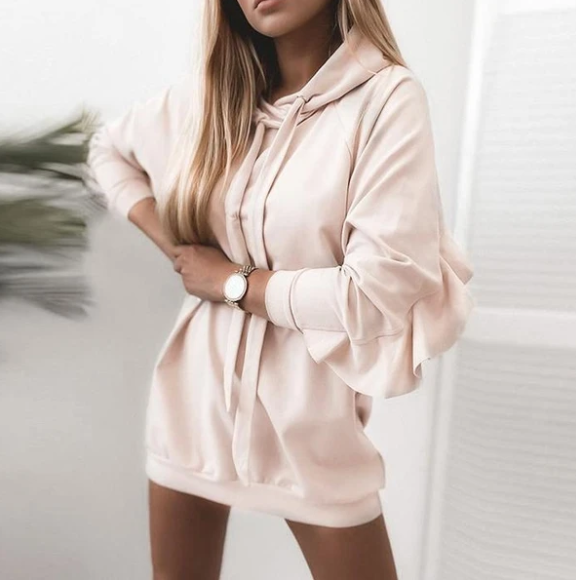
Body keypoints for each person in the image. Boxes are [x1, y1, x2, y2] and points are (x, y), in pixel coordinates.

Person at [86, 0, 475, 578]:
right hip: (190, 408)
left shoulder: (386, 99)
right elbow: (108, 151)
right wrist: (182, 253)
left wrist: (233, 282)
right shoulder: (210, 97)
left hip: (312, 432)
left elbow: (377, 292)